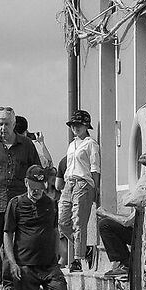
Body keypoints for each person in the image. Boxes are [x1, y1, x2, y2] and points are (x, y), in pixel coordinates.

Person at [8, 165, 68, 290]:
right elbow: (8, 234)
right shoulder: (16, 204)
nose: (36, 190)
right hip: (25, 266)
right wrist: (12, 262)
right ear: (26, 182)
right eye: (33, 185)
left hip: (50, 265)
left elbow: (55, 230)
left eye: (39, 186)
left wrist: (61, 255)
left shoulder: (51, 203)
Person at [0, 106, 42, 290]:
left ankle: (10, 283)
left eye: (7, 123)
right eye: (0, 123)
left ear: (14, 124)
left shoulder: (27, 145)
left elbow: (35, 171)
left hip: (18, 202)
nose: (3, 127)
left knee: (15, 244)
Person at [61, 112, 98, 274]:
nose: (75, 128)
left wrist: (95, 188)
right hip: (69, 183)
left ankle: (77, 258)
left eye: (78, 125)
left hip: (83, 183)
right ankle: (84, 249)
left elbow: (95, 168)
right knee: (62, 221)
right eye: (73, 125)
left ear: (85, 126)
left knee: (78, 221)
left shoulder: (91, 144)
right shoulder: (72, 144)